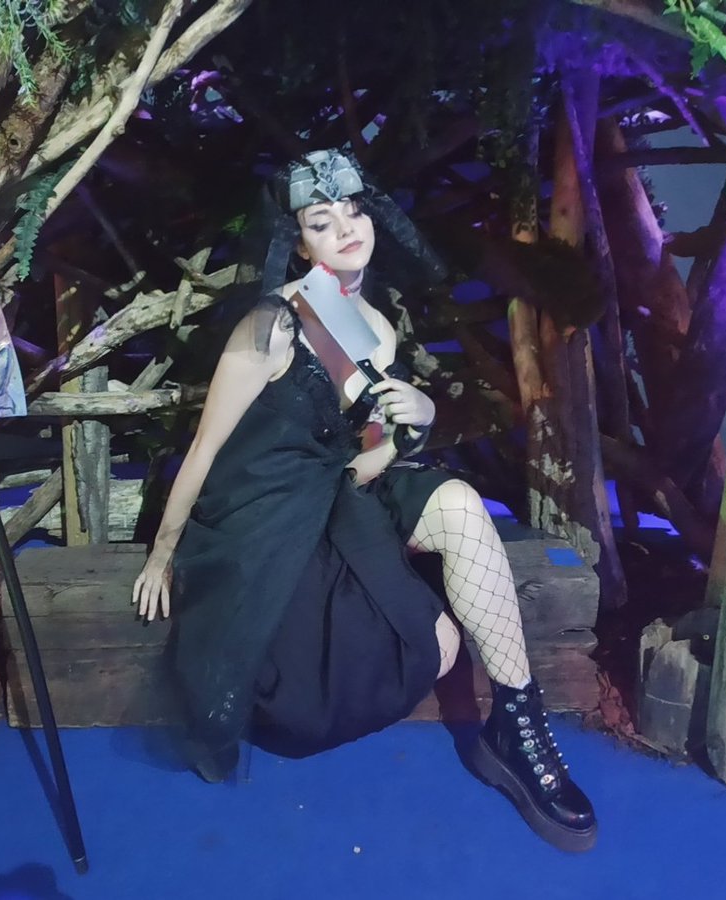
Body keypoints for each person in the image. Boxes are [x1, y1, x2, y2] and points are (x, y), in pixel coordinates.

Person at [131, 149, 597, 853]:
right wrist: (163, 554)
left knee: (461, 502)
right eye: (322, 222)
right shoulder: (273, 323)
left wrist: (422, 417)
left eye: (353, 212)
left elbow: (374, 454)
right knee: (426, 652)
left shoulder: (374, 324)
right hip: (269, 510)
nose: (346, 229)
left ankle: (518, 724)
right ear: (299, 243)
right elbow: (203, 450)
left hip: (346, 486)